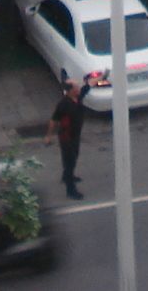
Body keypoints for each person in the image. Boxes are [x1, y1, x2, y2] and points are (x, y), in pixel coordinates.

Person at [42, 70, 92, 198]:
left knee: (74, 157)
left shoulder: (78, 97)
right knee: (69, 161)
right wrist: (48, 136)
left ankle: (67, 176)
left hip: (75, 136)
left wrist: (103, 76)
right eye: (77, 87)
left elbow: (88, 85)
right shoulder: (64, 105)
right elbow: (54, 120)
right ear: (70, 90)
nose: (79, 88)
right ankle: (71, 190)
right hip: (67, 138)